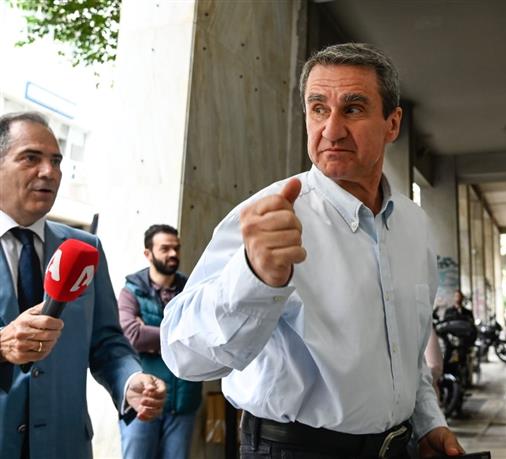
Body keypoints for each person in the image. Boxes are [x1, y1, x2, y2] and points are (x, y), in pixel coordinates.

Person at [161, 43, 463, 458]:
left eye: (353, 109)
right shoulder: (269, 215)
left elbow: (406, 355)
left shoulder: (414, 225)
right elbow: (184, 355)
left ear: (392, 124)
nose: (332, 130)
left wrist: (429, 424)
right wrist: (254, 276)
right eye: (318, 108)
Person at [0, 111, 166, 459]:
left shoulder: (85, 249)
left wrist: (129, 381)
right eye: (31, 158)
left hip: (66, 446)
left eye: (56, 161)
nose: (49, 172)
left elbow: (107, 342)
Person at [118, 224, 201, 459]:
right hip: (144, 398)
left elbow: (203, 335)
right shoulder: (131, 291)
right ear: (148, 253)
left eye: (176, 248)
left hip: (184, 402)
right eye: (165, 248)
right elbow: (132, 335)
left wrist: (151, 334)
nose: (173, 254)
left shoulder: (192, 291)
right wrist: (181, 335)